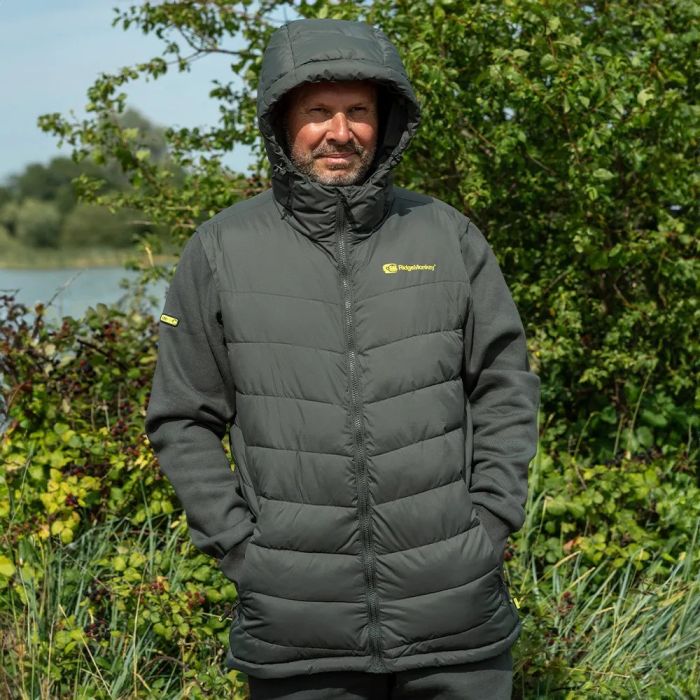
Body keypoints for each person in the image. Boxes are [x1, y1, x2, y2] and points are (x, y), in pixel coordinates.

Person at [145, 17, 540, 700]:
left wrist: (490, 521)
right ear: (281, 122)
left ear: (385, 122)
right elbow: (182, 418)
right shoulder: (220, 250)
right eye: (318, 112)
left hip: (457, 618)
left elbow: (505, 384)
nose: (340, 131)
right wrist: (241, 549)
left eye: (358, 110)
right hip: (296, 627)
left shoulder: (447, 236)